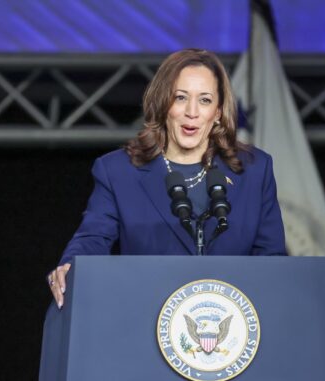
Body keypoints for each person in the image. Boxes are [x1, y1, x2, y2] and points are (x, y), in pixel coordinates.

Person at [47, 48, 286, 308]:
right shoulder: (118, 171)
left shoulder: (254, 170)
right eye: (180, 97)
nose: (191, 112)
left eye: (205, 100)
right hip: (145, 317)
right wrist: (70, 266)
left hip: (233, 325)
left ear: (218, 112)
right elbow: (93, 238)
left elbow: (271, 259)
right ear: (163, 103)